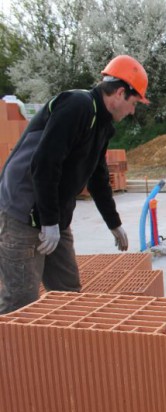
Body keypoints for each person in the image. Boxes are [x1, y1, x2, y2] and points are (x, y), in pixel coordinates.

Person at [0, 55, 150, 314]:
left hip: (54, 216)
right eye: (134, 103)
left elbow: (98, 178)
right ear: (120, 93)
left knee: (68, 295)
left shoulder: (102, 126)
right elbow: (44, 164)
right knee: (20, 304)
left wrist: (113, 223)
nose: (133, 111)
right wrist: (47, 221)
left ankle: (61, 352)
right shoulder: (77, 106)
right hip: (22, 213)